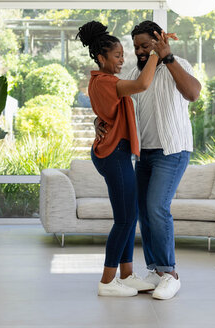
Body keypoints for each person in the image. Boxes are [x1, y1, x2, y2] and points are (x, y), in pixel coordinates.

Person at [96, 20, 201, 300]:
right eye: (136, 47)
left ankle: (170, 274)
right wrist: (99, 120)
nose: (140, 52)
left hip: (172, 150)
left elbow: (192, 93)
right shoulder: (132, 72)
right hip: (144, 153)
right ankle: (155, 270)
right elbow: (114, 106)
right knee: (143, 210)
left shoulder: (177, 66)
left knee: (157, 207)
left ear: (159, 43)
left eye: (146, 46)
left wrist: (167, 57)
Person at [77, 21, 165, 297]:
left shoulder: (105, 81)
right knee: (125, 219)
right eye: (117, 57)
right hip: (113, 154)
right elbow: (142, 83)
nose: (121, 60)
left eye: (122, 56)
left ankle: (126, 275)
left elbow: (110, 111)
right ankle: (107, 281)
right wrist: (155, 52)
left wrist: (97, 120)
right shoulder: (105, 81)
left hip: (117, 151)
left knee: (130, 214)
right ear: (101, 58)